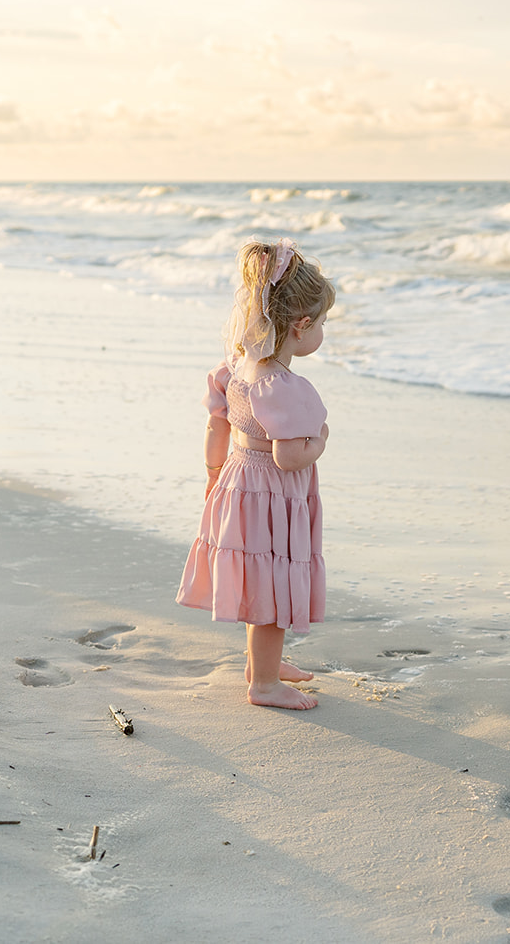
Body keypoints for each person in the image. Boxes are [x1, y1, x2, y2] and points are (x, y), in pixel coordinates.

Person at [178, 238, 335, 708]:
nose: (322, 330)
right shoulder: (286, 388)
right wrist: (320, 441)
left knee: (259, 574)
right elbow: (289, 457)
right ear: (301, 326)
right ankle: (264, 684)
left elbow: (216, 423)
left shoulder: (236, 368)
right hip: (274, 492)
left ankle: (260, 663)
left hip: (238, 482)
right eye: (322, 323)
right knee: (274, 584)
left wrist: (212, 473)